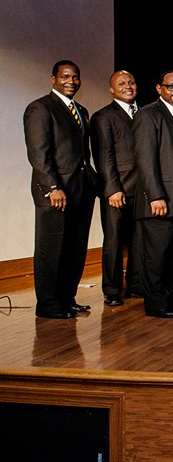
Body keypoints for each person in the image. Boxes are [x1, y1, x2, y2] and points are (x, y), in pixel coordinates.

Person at [23, 60, 98, 319]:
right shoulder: (40, 108)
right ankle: (48, 305)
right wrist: (52, 187)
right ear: (53, 78)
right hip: (55, 193)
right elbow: (38, 155)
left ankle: (67, 298)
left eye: (75, 77)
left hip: (81, 190)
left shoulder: (82, 110)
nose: (71, 81)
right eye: (65, 76)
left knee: (75, 248)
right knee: (51, 249)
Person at [132, 70, 173, 318]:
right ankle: (156, 304)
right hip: (160, 200)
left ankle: (171, 297)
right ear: (159, 89)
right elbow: (145, 160)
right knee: (156, 257)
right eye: (171, 86)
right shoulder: (148, 114)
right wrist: (155, 195)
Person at [90, 70, 143, 305]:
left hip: (143, 189)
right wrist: (112, 189)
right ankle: (111, 291)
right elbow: (104, 156)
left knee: (138, 240)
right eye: (121, 83)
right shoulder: (103, 116)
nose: (128, 86)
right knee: (113, 240)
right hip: (117, 190)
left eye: (131, 82)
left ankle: (135, 285)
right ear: (111, 89)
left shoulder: (145, 113)